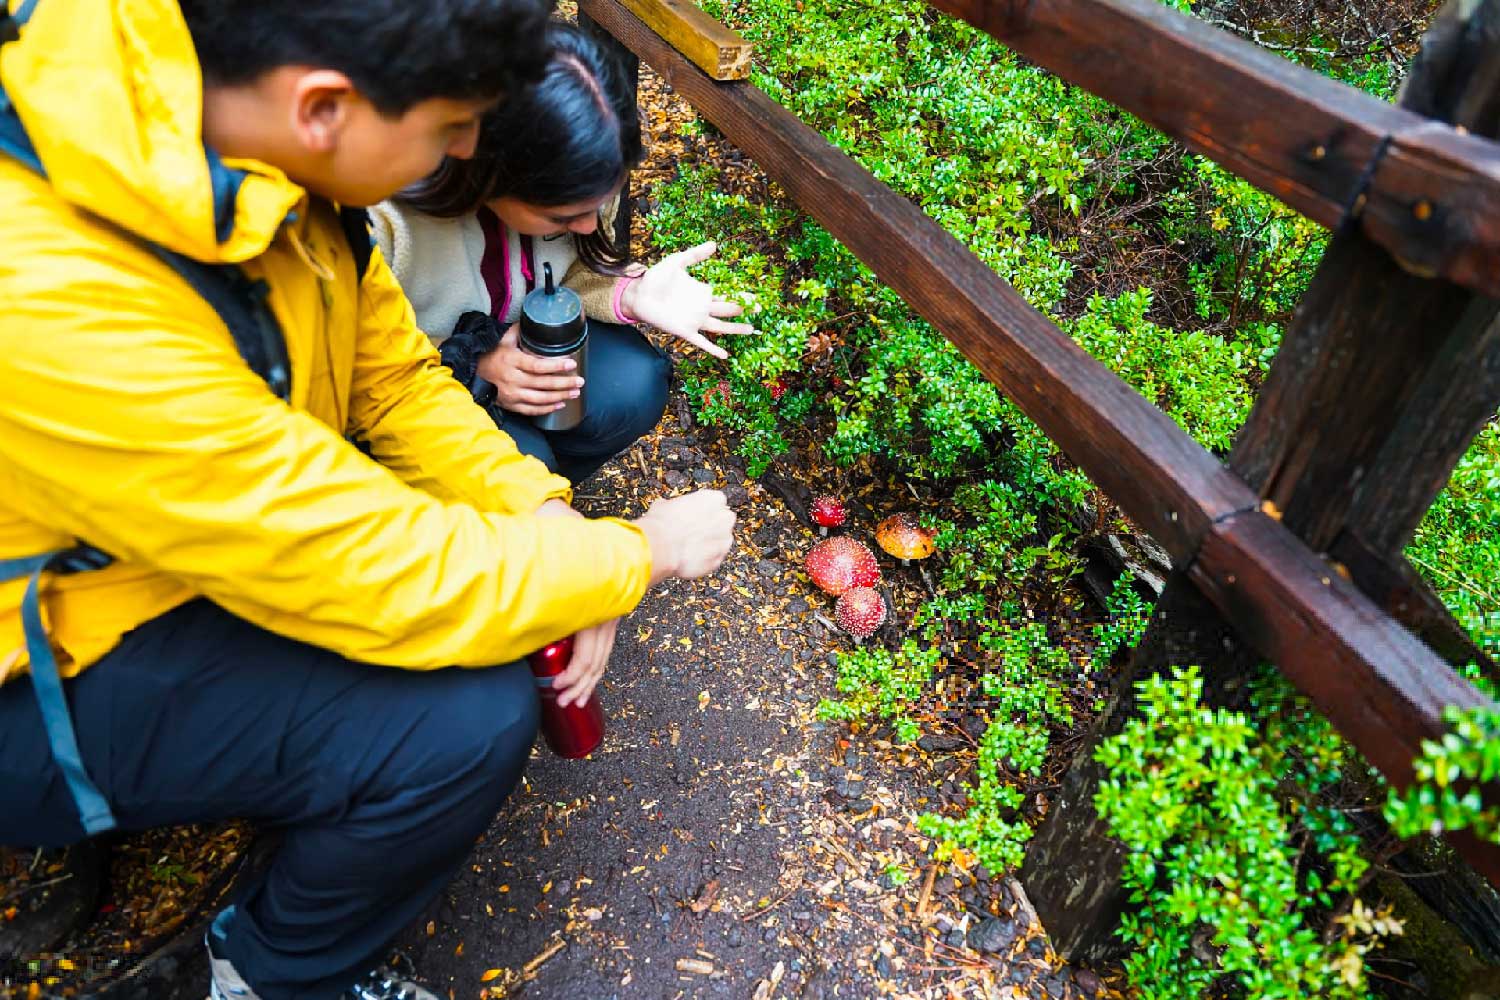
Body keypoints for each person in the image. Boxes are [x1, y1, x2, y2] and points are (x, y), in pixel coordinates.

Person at [0, 2, 736, 999]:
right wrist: (632, 554)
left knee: (479, 649)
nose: (473, 152)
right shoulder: (55, 298)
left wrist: (544, 513)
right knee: (464, 714)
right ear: (322, 109)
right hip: (36, 658)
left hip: (158, 546)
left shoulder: (245, 150)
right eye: (449, 126)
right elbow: (387, 573)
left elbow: (388, 380)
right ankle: (270, 973)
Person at [371, 19, 754, 485]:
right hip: (419, 377)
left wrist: (631, 293)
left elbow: (573, 270)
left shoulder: (587, 166)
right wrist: (477, 369)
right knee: (522, 465)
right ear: (487, 174)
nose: (590, 225)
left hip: (529, 343)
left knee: (635, 383)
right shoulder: (384, 216)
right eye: (562, 218)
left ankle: (544, 492)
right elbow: (363, 368)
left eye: (597, 206)